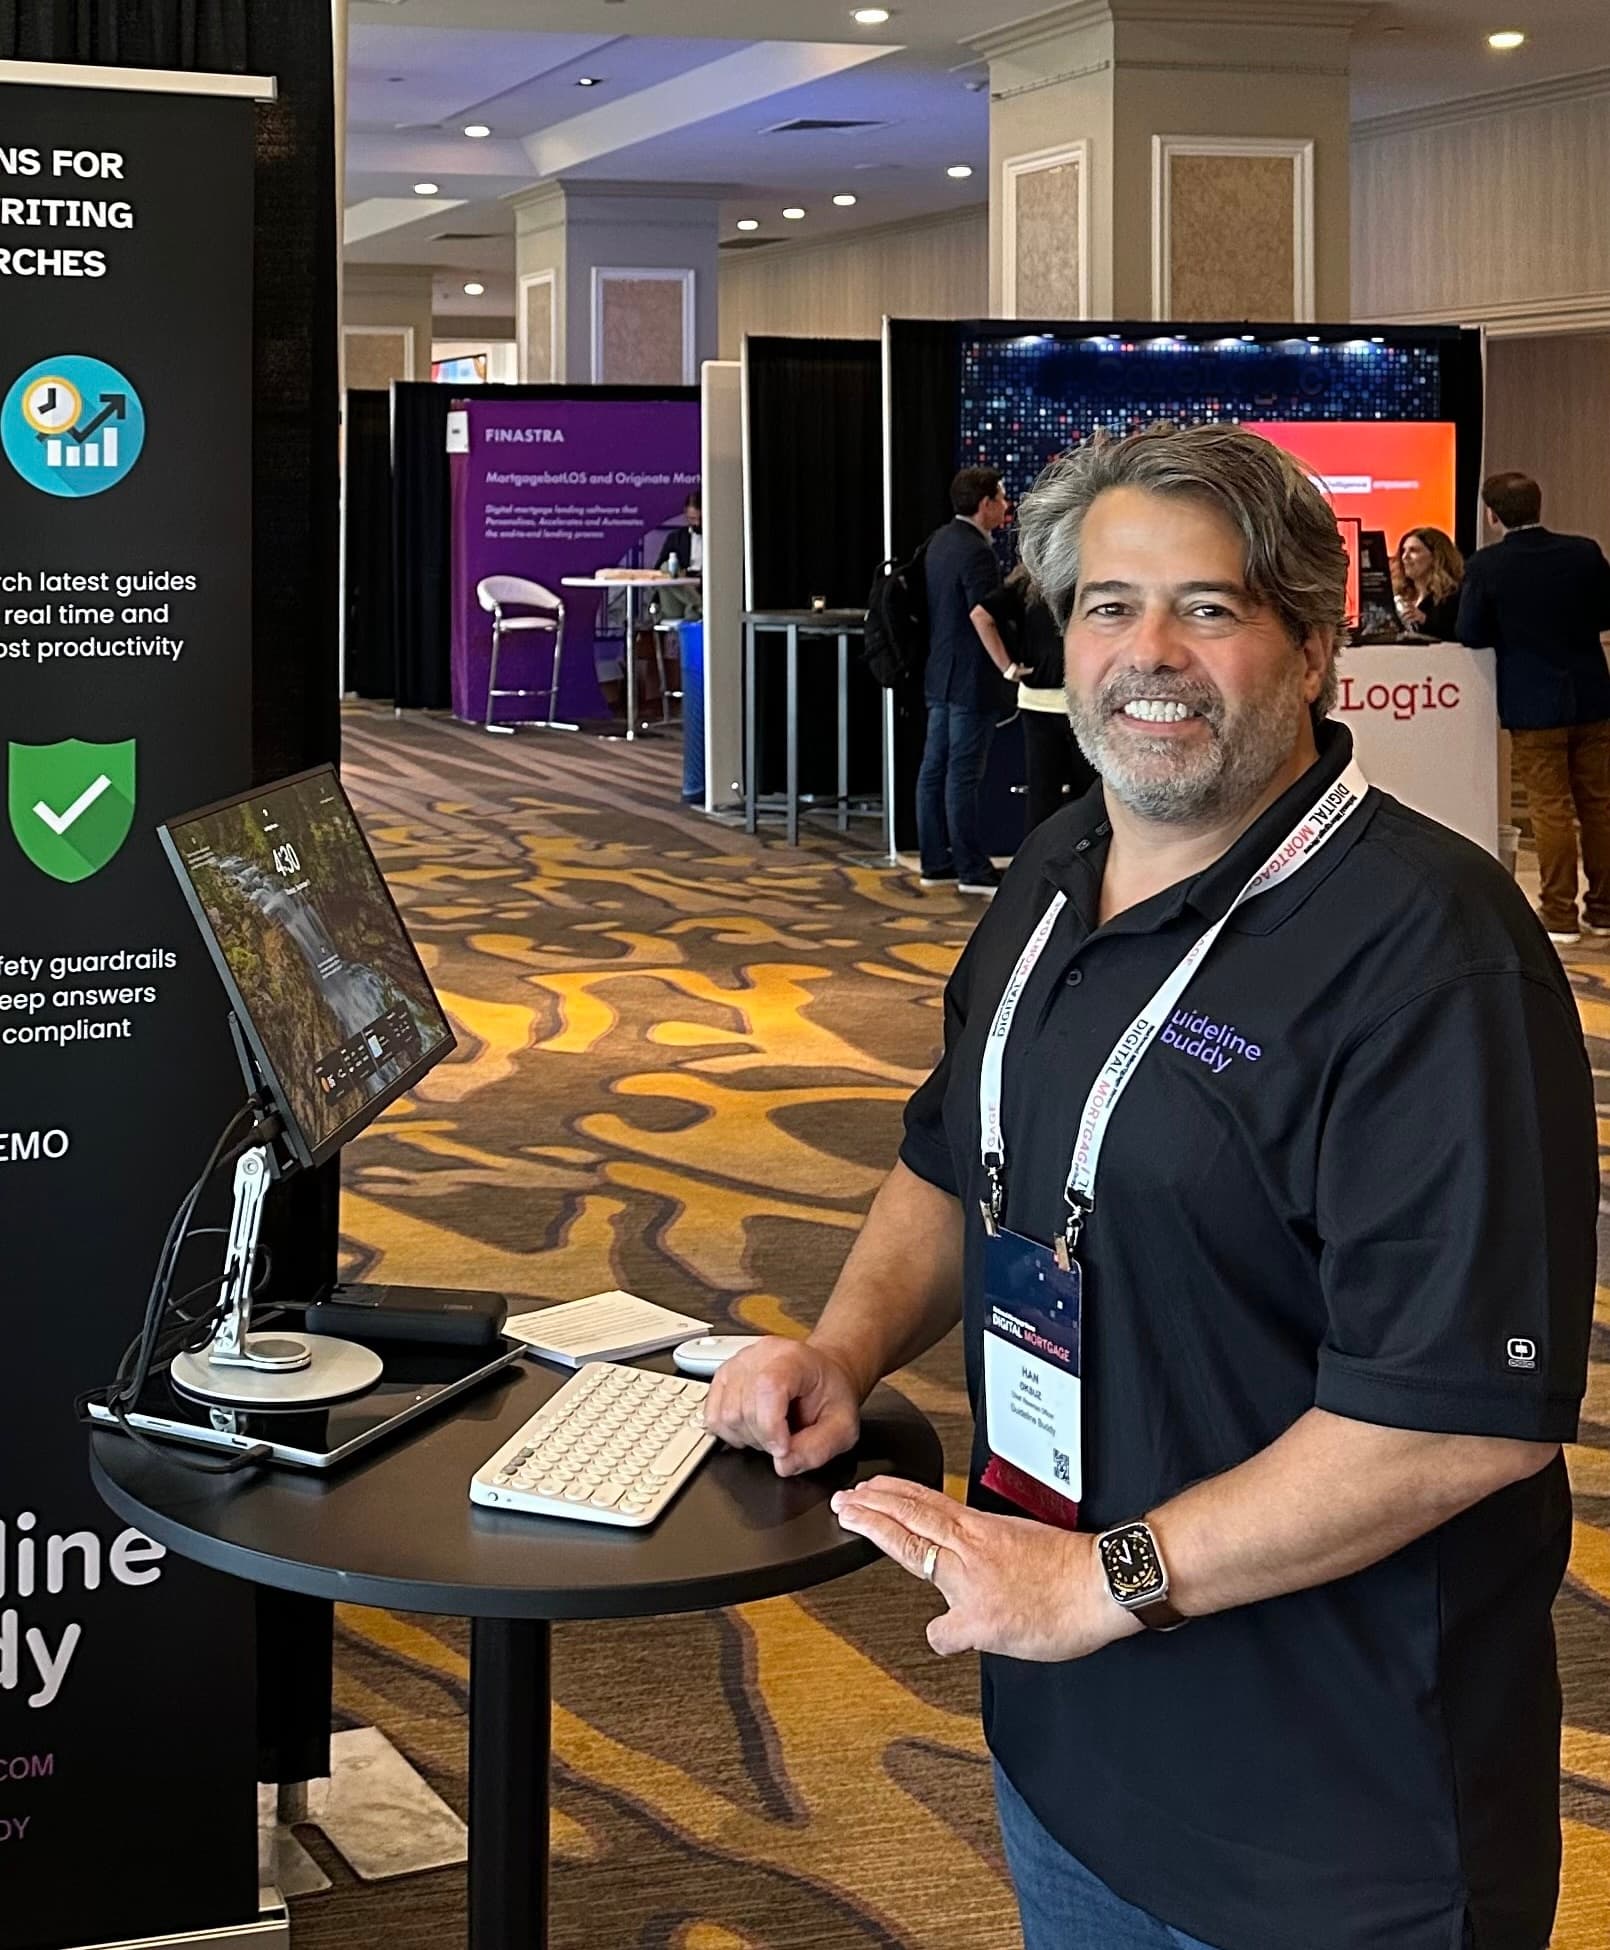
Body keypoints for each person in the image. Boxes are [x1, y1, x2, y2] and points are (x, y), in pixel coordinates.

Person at [708, 423, 1594, 1950]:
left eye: (1210, 608)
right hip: (1069, 1727)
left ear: (1314, 644)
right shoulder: (1057, 868)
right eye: (1109, 606)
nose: (1149, 655)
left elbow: (1450, 1424)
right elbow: (955, 1155)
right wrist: (841, 1347)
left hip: (1326, 1817)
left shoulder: (1431, 957)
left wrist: (1099, 1580)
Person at [1458, 469, 1610, 945]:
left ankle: (1560, 915)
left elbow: (1470, 632)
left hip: (1531, 703)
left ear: (1492, 514)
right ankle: (1604, 912)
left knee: (1551, 810)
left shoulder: (1488, 565)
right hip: (1593, 696)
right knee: (1600, 806)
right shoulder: (1583, 552)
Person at [915, 467, 1020, 896]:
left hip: (940, 674)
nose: (1007, 506)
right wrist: (1008, 667)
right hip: (970, 680)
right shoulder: (976, 552)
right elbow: (983, 616)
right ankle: (971, 868)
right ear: (985, 504)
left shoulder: (940, 541)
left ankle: (935, 860)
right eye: (1001, 497)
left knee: (934, 770)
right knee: (961, 774)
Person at [976, 563, 1097, 833]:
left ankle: (1040, 868)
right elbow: (981, 616)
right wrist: (1007, 667)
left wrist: (1008, 668)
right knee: (1085, 794)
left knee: (1044, 793)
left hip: (1046, 701)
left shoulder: (1028, 580)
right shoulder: (1081, 574)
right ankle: (1079, 866)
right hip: (1069, 701)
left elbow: (981, 615)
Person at [1393, 524, 1463, 638]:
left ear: (1436, 556)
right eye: (1403, 551)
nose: (1404, 557)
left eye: (1413, 550)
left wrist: (1424, 620)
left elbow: (1457, 634)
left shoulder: (1453, 597)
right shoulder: (1400, 595)